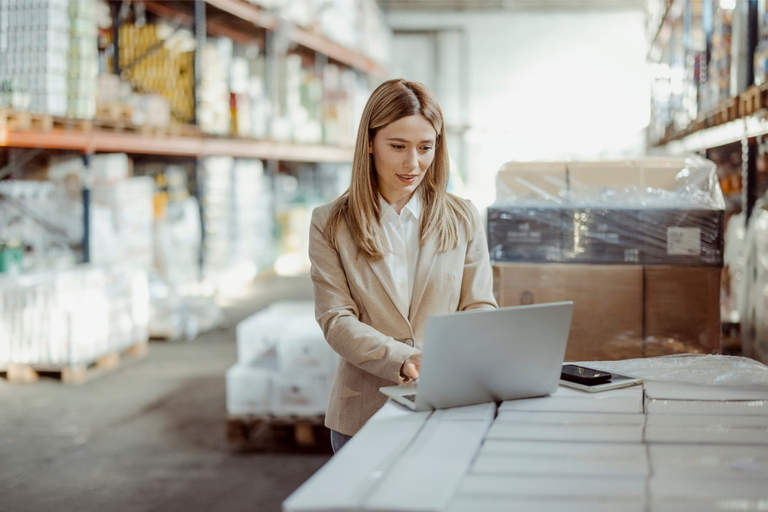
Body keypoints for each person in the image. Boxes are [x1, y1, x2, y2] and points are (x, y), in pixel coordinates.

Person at [308, 79, 497, 454]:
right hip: (363, 414)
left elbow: (479, 306)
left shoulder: (462, 217)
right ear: (370, 143)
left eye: (425, 148)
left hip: (449, 407)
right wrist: (405, 358)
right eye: (398, 147)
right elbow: (336, 319)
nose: (414, 164)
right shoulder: (330, 223)